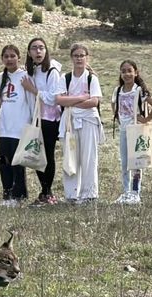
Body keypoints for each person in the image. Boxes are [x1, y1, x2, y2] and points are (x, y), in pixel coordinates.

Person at [55, 43, 103, 204]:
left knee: (89, 157)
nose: (79, 59)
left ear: (87, 57)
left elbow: (94, 101)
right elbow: (60, 99)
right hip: (69, 122)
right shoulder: (65, 78)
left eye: (82, 55)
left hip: (88, 120)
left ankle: (89, 194)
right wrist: (82, 98)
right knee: (70, 156)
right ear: (71, 58)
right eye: (76, 56)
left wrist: (71, 101)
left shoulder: (91, 78)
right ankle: (71, 194)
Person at [111, 60, 152, 205]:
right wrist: (118, 116)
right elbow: (113, 103)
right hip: (124, 130)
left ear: (135, 72)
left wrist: (146, 119)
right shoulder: (118, 90)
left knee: (137, 162)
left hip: (137, 130)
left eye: (129, 71)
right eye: (123, 71)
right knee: (125, 162)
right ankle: (126, 192)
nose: (126, 74)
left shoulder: (139, 91)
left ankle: (135, 192)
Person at [22, 37, 65, 205]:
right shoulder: (31, 71)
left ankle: (48, 192)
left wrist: (33, 90)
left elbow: (54, 98)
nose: (38, 51)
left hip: (49, 119)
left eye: (41, 48)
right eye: (34, 48)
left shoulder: (52, 71)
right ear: (29, 52)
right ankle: (44, 191)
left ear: (46, 51)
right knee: (36, 155)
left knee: (47, 155)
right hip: (36, 119)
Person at [0, 44, 31, 207]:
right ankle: (7, 193)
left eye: (12, 56)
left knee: (18, 162)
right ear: (2, 58)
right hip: (5, 127)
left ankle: (19, 194)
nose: (9, 59)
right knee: (4, 161)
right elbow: (0, 102)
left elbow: (30, 101)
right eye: (6, 56)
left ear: (18, 57)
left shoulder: (25, 76)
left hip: (20, 126)